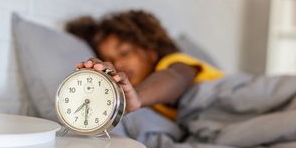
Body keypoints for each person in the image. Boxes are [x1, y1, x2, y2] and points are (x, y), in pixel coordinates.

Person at [66, 10, 224, 121]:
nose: (119, 64)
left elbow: (177, 77)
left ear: (150, 51)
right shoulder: (150, 98)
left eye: (125, 53)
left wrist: (137, 97)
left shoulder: (174, 63)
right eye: (110, 60)